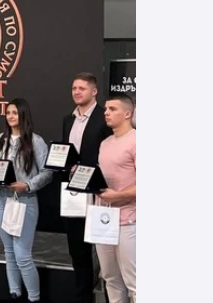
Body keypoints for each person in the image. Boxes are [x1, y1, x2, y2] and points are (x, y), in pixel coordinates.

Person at [0, 98, 53, 302]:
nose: (10, 116)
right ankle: (14, 293)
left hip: (25, 200)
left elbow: (47, 172)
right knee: (9, 252)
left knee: (23, 255)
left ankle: (34, 298)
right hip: (1, 199)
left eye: (14, 112)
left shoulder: (36, 141)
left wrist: (27, 185)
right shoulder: (0, 139)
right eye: (8, 112)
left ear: (23, 115)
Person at [61, 72, 113, 303]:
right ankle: (83, 298)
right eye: (74, 88)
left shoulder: (105, 117)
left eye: (81, 88)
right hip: (74, 193)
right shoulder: (68, 119)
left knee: (104, 252)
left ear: (94, 91)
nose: (77, 92)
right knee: (77, 250)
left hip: (100, 192)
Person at [95, 94, 137, 303]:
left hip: (129, 221)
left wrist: (118, 196)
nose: (106, 113)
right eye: (106, 109)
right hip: (104, 220)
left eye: (112, 109)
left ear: (127, 114)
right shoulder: (105, 143)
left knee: (134, 283)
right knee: (111, 279)